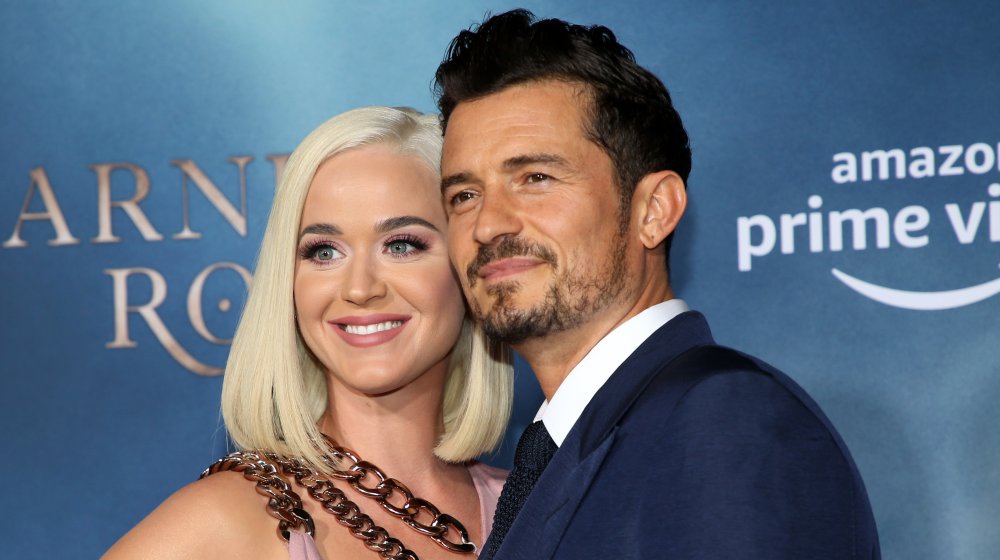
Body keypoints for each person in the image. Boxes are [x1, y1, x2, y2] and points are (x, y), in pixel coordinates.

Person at [435, 9, 880, 560]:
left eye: (535, 179)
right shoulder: (551, 452)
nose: (487, 224)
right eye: (463, 195)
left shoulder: (726, 421)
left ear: (654, 209)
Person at [104, 106, 513, 560]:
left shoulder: (540, 505)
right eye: (323, 252)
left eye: (401, 245)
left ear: (467, 262)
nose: (360, 288)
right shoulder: (225, 523)